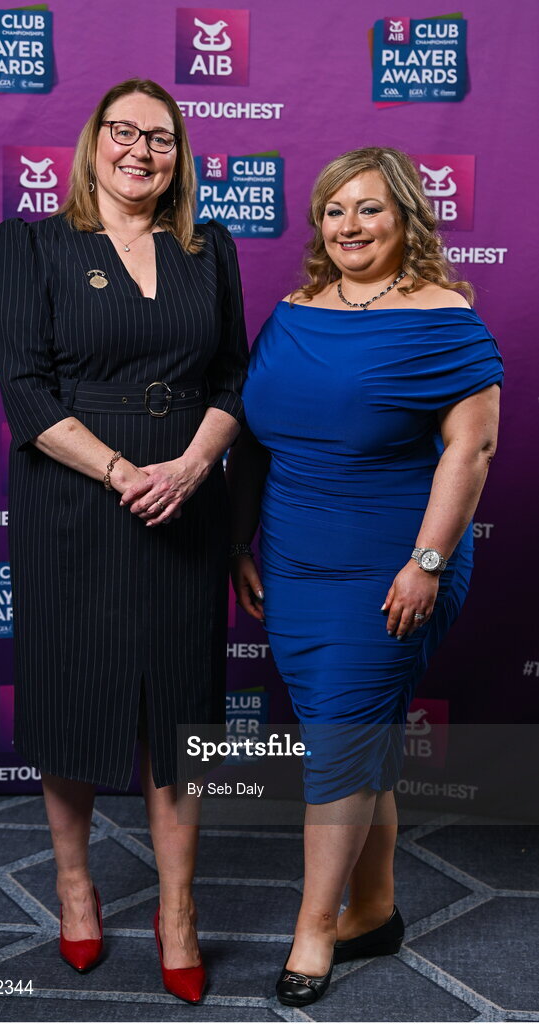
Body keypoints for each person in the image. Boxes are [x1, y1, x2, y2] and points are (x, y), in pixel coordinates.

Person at [0, 77, 247, 1002]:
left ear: (180, 158)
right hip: (74, 495)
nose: (142, 151)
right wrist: (117, 471)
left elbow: (233, 376)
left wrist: (185, 469)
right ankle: (75, 887)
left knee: (180, 711)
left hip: (185, 493)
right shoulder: (29, 242)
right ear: (93, 141)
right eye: (124, 132)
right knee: (75, 695)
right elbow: (23, 387)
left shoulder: (207, 247)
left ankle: (177, 907)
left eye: (163, 139)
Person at [227, 146, 502, 1007]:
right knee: (357, 740)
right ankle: (376, 909)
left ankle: (315, 930)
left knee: (340, 742)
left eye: (369, 209)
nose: (348, 226)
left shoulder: (445, 319)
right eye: (334, 210)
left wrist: (426, 564)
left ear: (406, 219)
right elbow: (256, 435)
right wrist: (241, 539)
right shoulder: (293, 310)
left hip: (391, 565)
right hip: (296, 563)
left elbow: (473, 448)